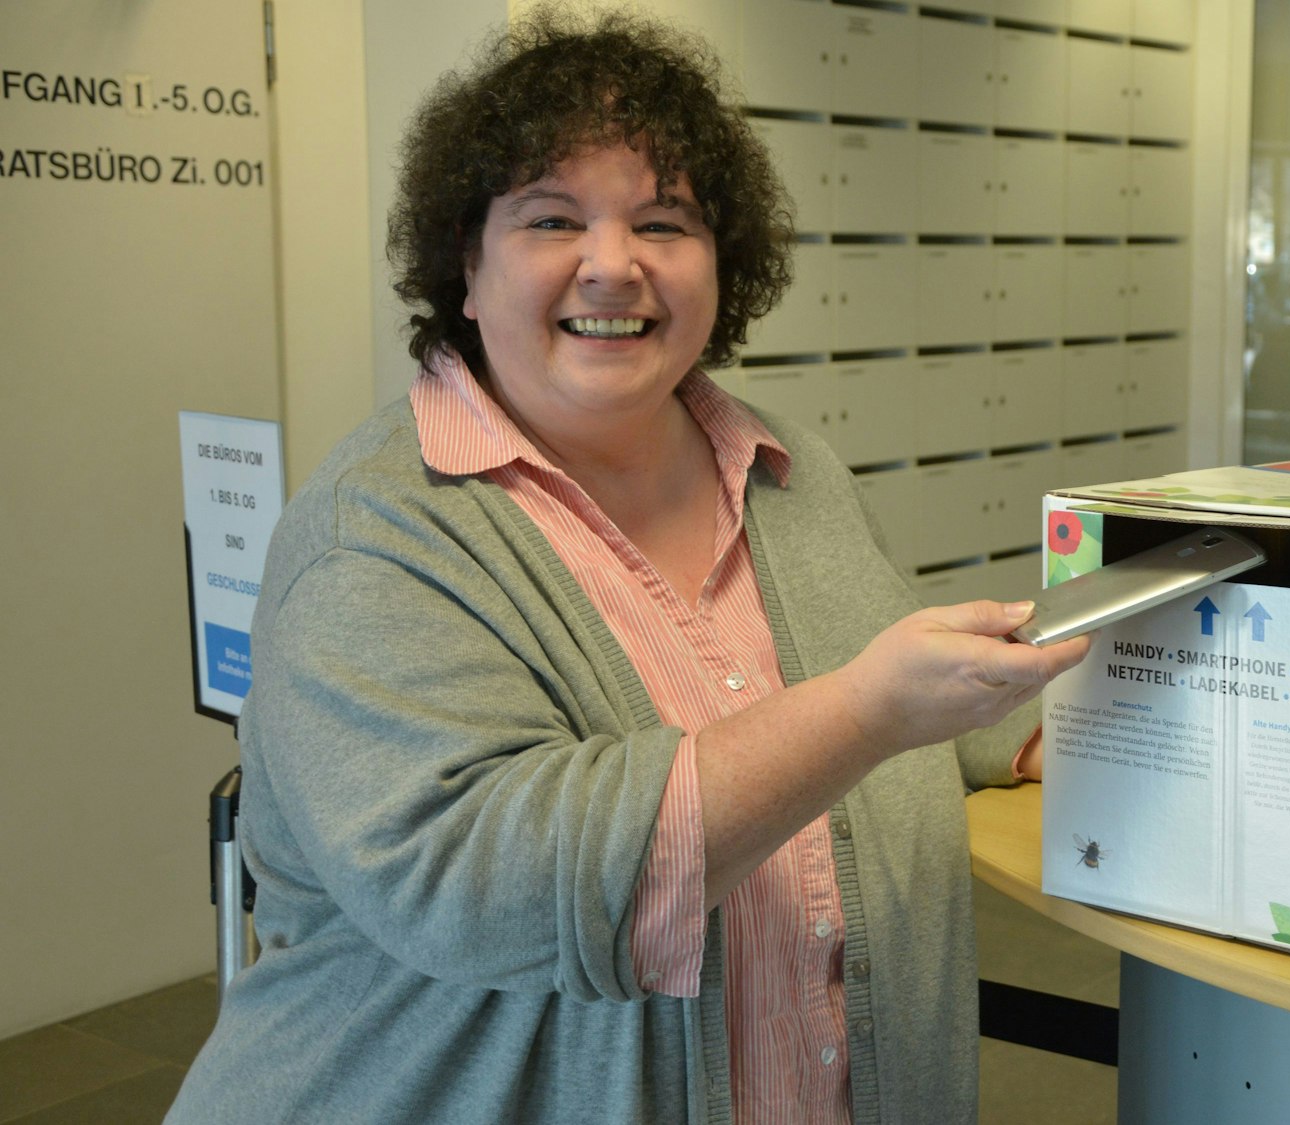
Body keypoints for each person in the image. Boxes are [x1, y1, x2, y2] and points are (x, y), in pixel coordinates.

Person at [167, 11, 1088, 1123]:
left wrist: (1026, 722)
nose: (613, 265)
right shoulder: (374, 540)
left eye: (664, 222)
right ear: (465, 266)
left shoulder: (785, 472)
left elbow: (881, 671)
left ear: (720, 265)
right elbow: (488, 889)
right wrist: (865, 716)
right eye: (552, 220)